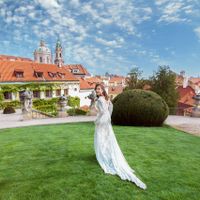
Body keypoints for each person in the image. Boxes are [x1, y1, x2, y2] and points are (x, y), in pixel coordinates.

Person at [94, 83, 147, 189]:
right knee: (106, 139)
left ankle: (104, 156)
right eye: (96, 89)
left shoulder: (100, 99)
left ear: (102, 90)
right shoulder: (104, 98)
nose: (97, 91)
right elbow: (108, 110)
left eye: (99, 89)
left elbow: (103, 111)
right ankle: (107, 154)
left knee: (101, 138)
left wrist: (98, 119)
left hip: (102, 121)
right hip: (106, 121)